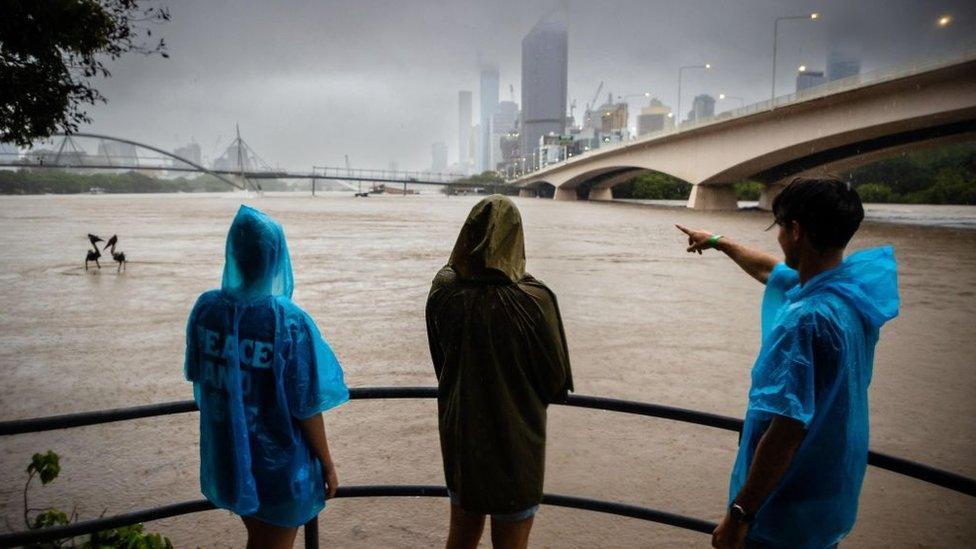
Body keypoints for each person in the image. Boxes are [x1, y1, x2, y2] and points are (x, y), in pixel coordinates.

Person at [677, 177, 899, 549]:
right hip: (825, 504)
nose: (777, 238)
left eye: (780, 227)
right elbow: (771, 271)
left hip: (781, 513)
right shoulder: (852, 296)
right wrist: (718, 241)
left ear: (795, 230)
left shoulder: (805, 320)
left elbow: (784, 434)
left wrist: (738, 516)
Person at [185, 205, 349, 549]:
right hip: (280, 468)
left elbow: (198, 374)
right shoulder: (286, 321)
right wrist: (328, 463)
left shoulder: (207, 309)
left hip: (228, 456)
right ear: (276, 258)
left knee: (259, 540)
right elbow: (306, 403)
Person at [426, 195, 574, 549]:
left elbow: (440, 362)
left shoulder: (443, 291)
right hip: (517, 442)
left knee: (460, 536)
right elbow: (555, 382)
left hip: (462, 437)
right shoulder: (535, 300)